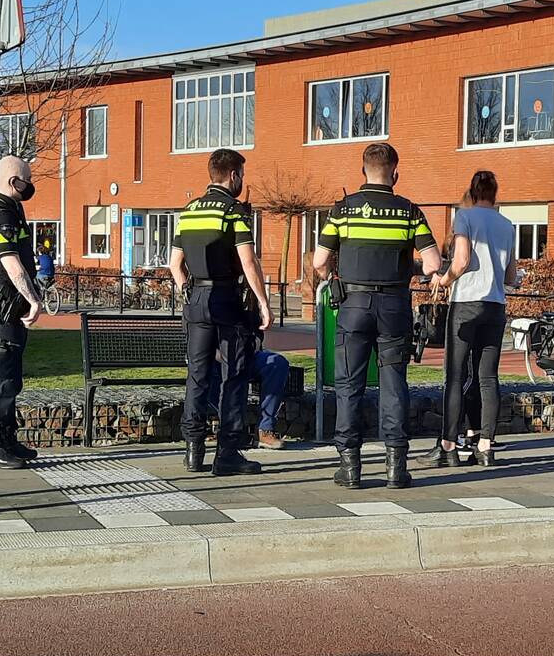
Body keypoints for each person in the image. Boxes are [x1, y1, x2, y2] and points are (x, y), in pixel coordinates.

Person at [313, 142, 441, 489]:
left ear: (362, 171)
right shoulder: (409, 211)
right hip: (394, 307)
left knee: (348, 385)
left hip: (353, 307)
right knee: (394, 384)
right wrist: (405, 266)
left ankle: (350, 469)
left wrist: (334, 278)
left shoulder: (343, 210)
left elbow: (319, 262)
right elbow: (433, 263)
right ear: (395, 172)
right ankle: (395, 469)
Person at [169, 149, 273, 476]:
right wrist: (264, 302)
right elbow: (248, 261)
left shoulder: (189, 211)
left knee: (197, 375)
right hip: (228, 298)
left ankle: (193, 450)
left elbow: (174, 264)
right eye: (241, 174)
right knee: (235, 374)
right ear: (232, 176)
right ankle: (227, 452)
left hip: (196, 299)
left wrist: (188, 288)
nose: (242, 180)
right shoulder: (233, 211)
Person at [418, 172, 515, 468]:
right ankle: (485, 446)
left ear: (472, 192)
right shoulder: (507, 225)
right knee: (488, 378)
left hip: (467, 304)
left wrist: (443, 280)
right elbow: (511, 276)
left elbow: (461, 261)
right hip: (495, 306)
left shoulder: (464, 217)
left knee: (456, 376)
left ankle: (448, 445)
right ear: (495, 194)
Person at [0, 156, 44, 469]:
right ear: (13, 181)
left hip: (5, 304)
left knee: (10, 376)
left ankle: (8, 440)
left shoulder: (5, 207)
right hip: (4, 304)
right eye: (26, 179)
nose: (30, 185)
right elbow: (9, 261)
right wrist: (33, 299)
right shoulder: (0, 210)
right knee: (4, 378)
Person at [209, 344, 290, 450]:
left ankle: (265, 429)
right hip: (214, 356)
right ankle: (229, 427)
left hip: (245, 353)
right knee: (207, 371)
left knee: (277, 363)